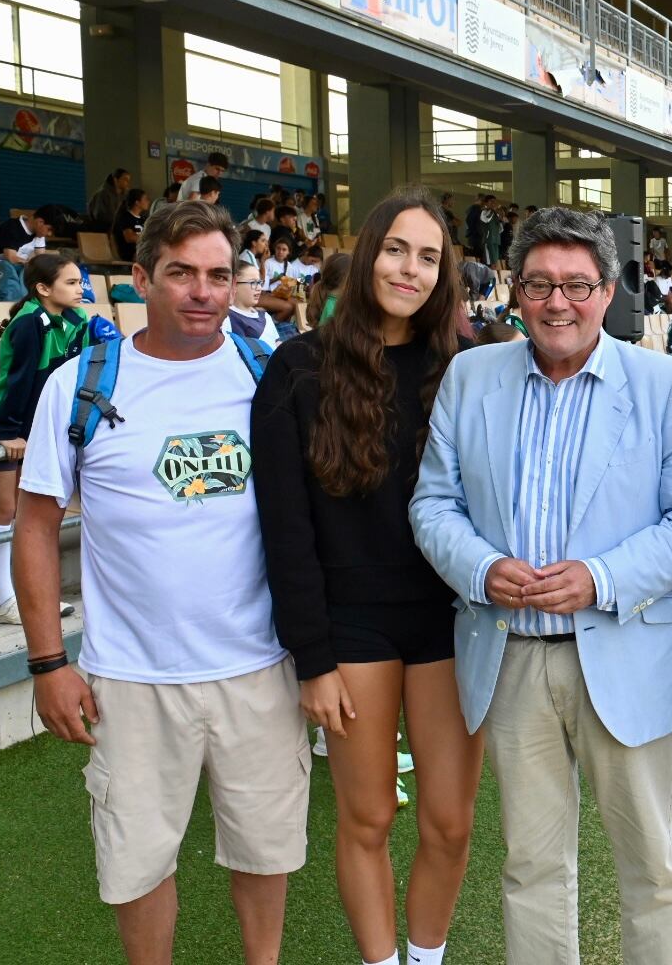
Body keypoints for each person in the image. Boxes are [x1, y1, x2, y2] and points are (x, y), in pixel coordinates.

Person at [410, 206, 672, 964]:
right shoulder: (470, 374)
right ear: (515, 290)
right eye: (540, 284)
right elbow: (432, 503)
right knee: (531, 866)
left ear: (609, 288)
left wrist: (602, 577)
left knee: (649, 865)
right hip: (510, 653)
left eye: (578, 285)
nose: (559, 303)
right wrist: (482, 569)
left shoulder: (663, 384)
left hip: (625, 648)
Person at [14, 200, 308, 964]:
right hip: (131, 678)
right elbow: (36, 525)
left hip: (259, 666)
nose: (204, 292)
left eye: (219, 275)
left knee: (265, 852)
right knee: (138, 864)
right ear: (141, 278)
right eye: (182, 274)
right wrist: (48, 663)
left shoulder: (267, 374)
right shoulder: (78, 384)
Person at [254, 189, 477, 965]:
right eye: (395, 250)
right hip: (351, 624)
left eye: (427, 257)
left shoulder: (464, 369)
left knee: (449, 821)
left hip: (449, 620)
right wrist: (311, 659)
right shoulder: (297, 368)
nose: (408, 270)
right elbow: (284, 529)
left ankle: (425, 957)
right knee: (370, 816)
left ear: (444, 273)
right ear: (366, 254)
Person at [0, 252, 91, 623]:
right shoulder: (27, 325)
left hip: (37, 425)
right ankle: (5, 601)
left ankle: (30, 595)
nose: (80, 289)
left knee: (31, 510)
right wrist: (9, 432)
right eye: (71, 283)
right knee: (4, 508)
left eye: (79, 281)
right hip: (2, 421)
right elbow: (17, 382)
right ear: (43, 288)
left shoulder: (77, 319)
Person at [224, 261, 282, 345]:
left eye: (259, 283)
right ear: (234, 285)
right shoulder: (225, 318)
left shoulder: (265, 316)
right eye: (253, 283)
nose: (259, 288)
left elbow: (277, 343)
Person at [110, 188, 150, 262]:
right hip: (129, 254)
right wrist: (148, 239)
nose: (148, 201)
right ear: (137, 203)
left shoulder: (143, 219)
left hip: (142, 252)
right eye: (145, 199)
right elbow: (129, 237)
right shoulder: (125, 217)